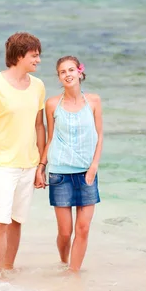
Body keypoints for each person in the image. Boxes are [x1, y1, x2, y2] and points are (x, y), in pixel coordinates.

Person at [0, 32, 46, 276]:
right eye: (34, 56)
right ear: (19, 56)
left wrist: (41, 165)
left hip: (29, 165)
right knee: (0, 221)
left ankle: (8, 270)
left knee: (17, 220)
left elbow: (40, 126)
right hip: (2, 165)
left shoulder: (38, 86)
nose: (38, 60)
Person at [35, 55, 103, 273]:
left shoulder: (93, 101)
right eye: (63, 72)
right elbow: (51, 138)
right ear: (59, 77)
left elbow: (100, 135)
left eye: (71, 70)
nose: (68, 74)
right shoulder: (53, 104)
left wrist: (94, 166)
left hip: (87, 174)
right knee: (65, 232)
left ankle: (73, 276)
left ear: (80, 72)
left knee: (82, 229)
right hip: (60, 174)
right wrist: (41, 167)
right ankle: (64, 262)